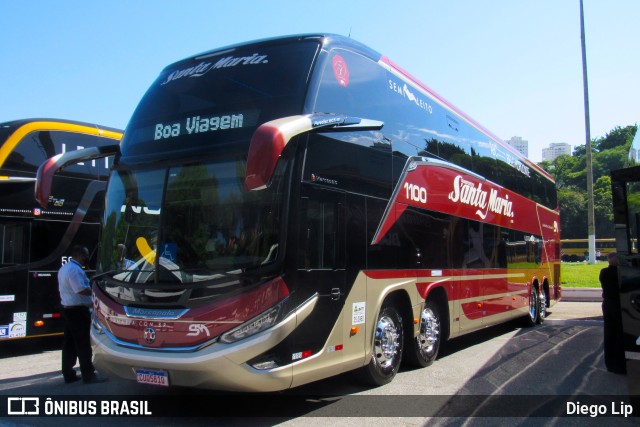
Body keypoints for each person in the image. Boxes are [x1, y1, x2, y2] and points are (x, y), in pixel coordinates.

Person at [58, 245, 107, 384]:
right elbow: (80, 290)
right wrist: (95, 291)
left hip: (68, 309)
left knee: (69, 344)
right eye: (85, 255)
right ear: (79, 255)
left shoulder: (64, 268)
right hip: (77, 311)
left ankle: (68, 373)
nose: (86, 258)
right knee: (83, 344)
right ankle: (89, 375)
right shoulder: (75, 270)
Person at [599, 252, 626, 374]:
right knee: (620, 333)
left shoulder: (603, 272)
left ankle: (609, 363)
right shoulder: (620, 273)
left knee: (609, 332)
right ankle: (619, 364)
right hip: (618, 304)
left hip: (607, 304)